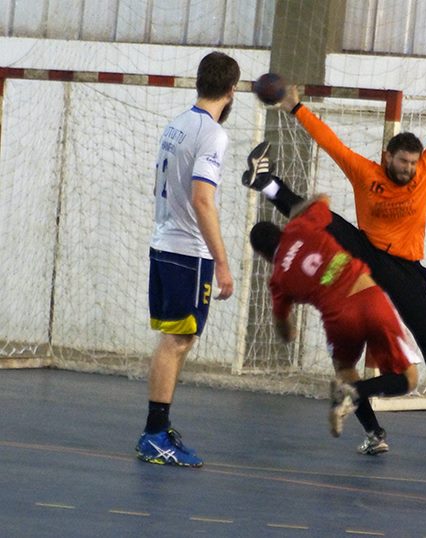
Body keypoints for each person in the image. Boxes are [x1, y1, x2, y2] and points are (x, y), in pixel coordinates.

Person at [246, 60, 426, 442]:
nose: (409, 169)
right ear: (387, 157)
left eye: (413, 163)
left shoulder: (425, 171)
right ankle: (268, 184)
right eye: (402, 162)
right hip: (368, 252)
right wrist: (294, 107)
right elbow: (330, 141)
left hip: (405, 270)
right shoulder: (365, 172)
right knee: (323, 219)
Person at [249, 194, 422, 455]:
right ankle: (354, 392)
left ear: (262, 255)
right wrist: (297, 209)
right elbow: (323, 201)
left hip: (338, 319)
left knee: (344, 369)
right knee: (408, 380)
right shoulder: (299, 227)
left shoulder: (277, 280)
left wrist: (290, 330)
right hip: (367, 297)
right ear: (281, 229)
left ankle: (374, 434)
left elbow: (285, 331)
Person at [136, 51, 240, 467]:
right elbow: (202, 198)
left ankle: (159, 426)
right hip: (186, 251)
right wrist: (223, 262)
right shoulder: (212, 134)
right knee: (177, 340)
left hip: (165, 244)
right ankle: (154, 434)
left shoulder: (177, 124)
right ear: (232, 91)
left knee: (178, 339)